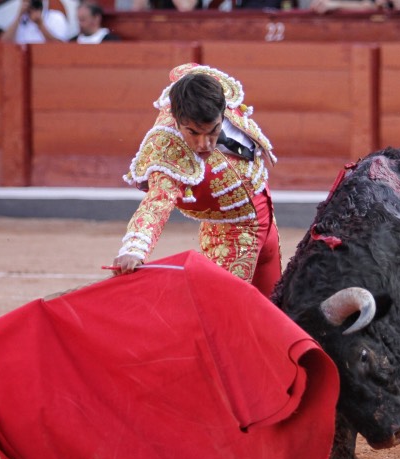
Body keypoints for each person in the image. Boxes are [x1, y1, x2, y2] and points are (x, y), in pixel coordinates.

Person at [112, 64, 282, 297]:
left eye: (212, 131)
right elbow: (156, 204)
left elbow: (184, 70)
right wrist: (134, 249)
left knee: (274, 307)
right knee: (225, 314)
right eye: (192, 132)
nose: (204, 145)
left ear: (223, 112)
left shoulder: (213, 90)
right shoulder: (168, 150)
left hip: (268, 220)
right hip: (229, 236)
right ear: (177, 119)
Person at [0, 0, 69, 43]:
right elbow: (3, 44)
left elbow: (60, 48)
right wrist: (19, 16)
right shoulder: (18, 20)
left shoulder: (56, 18)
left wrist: (40, 25)